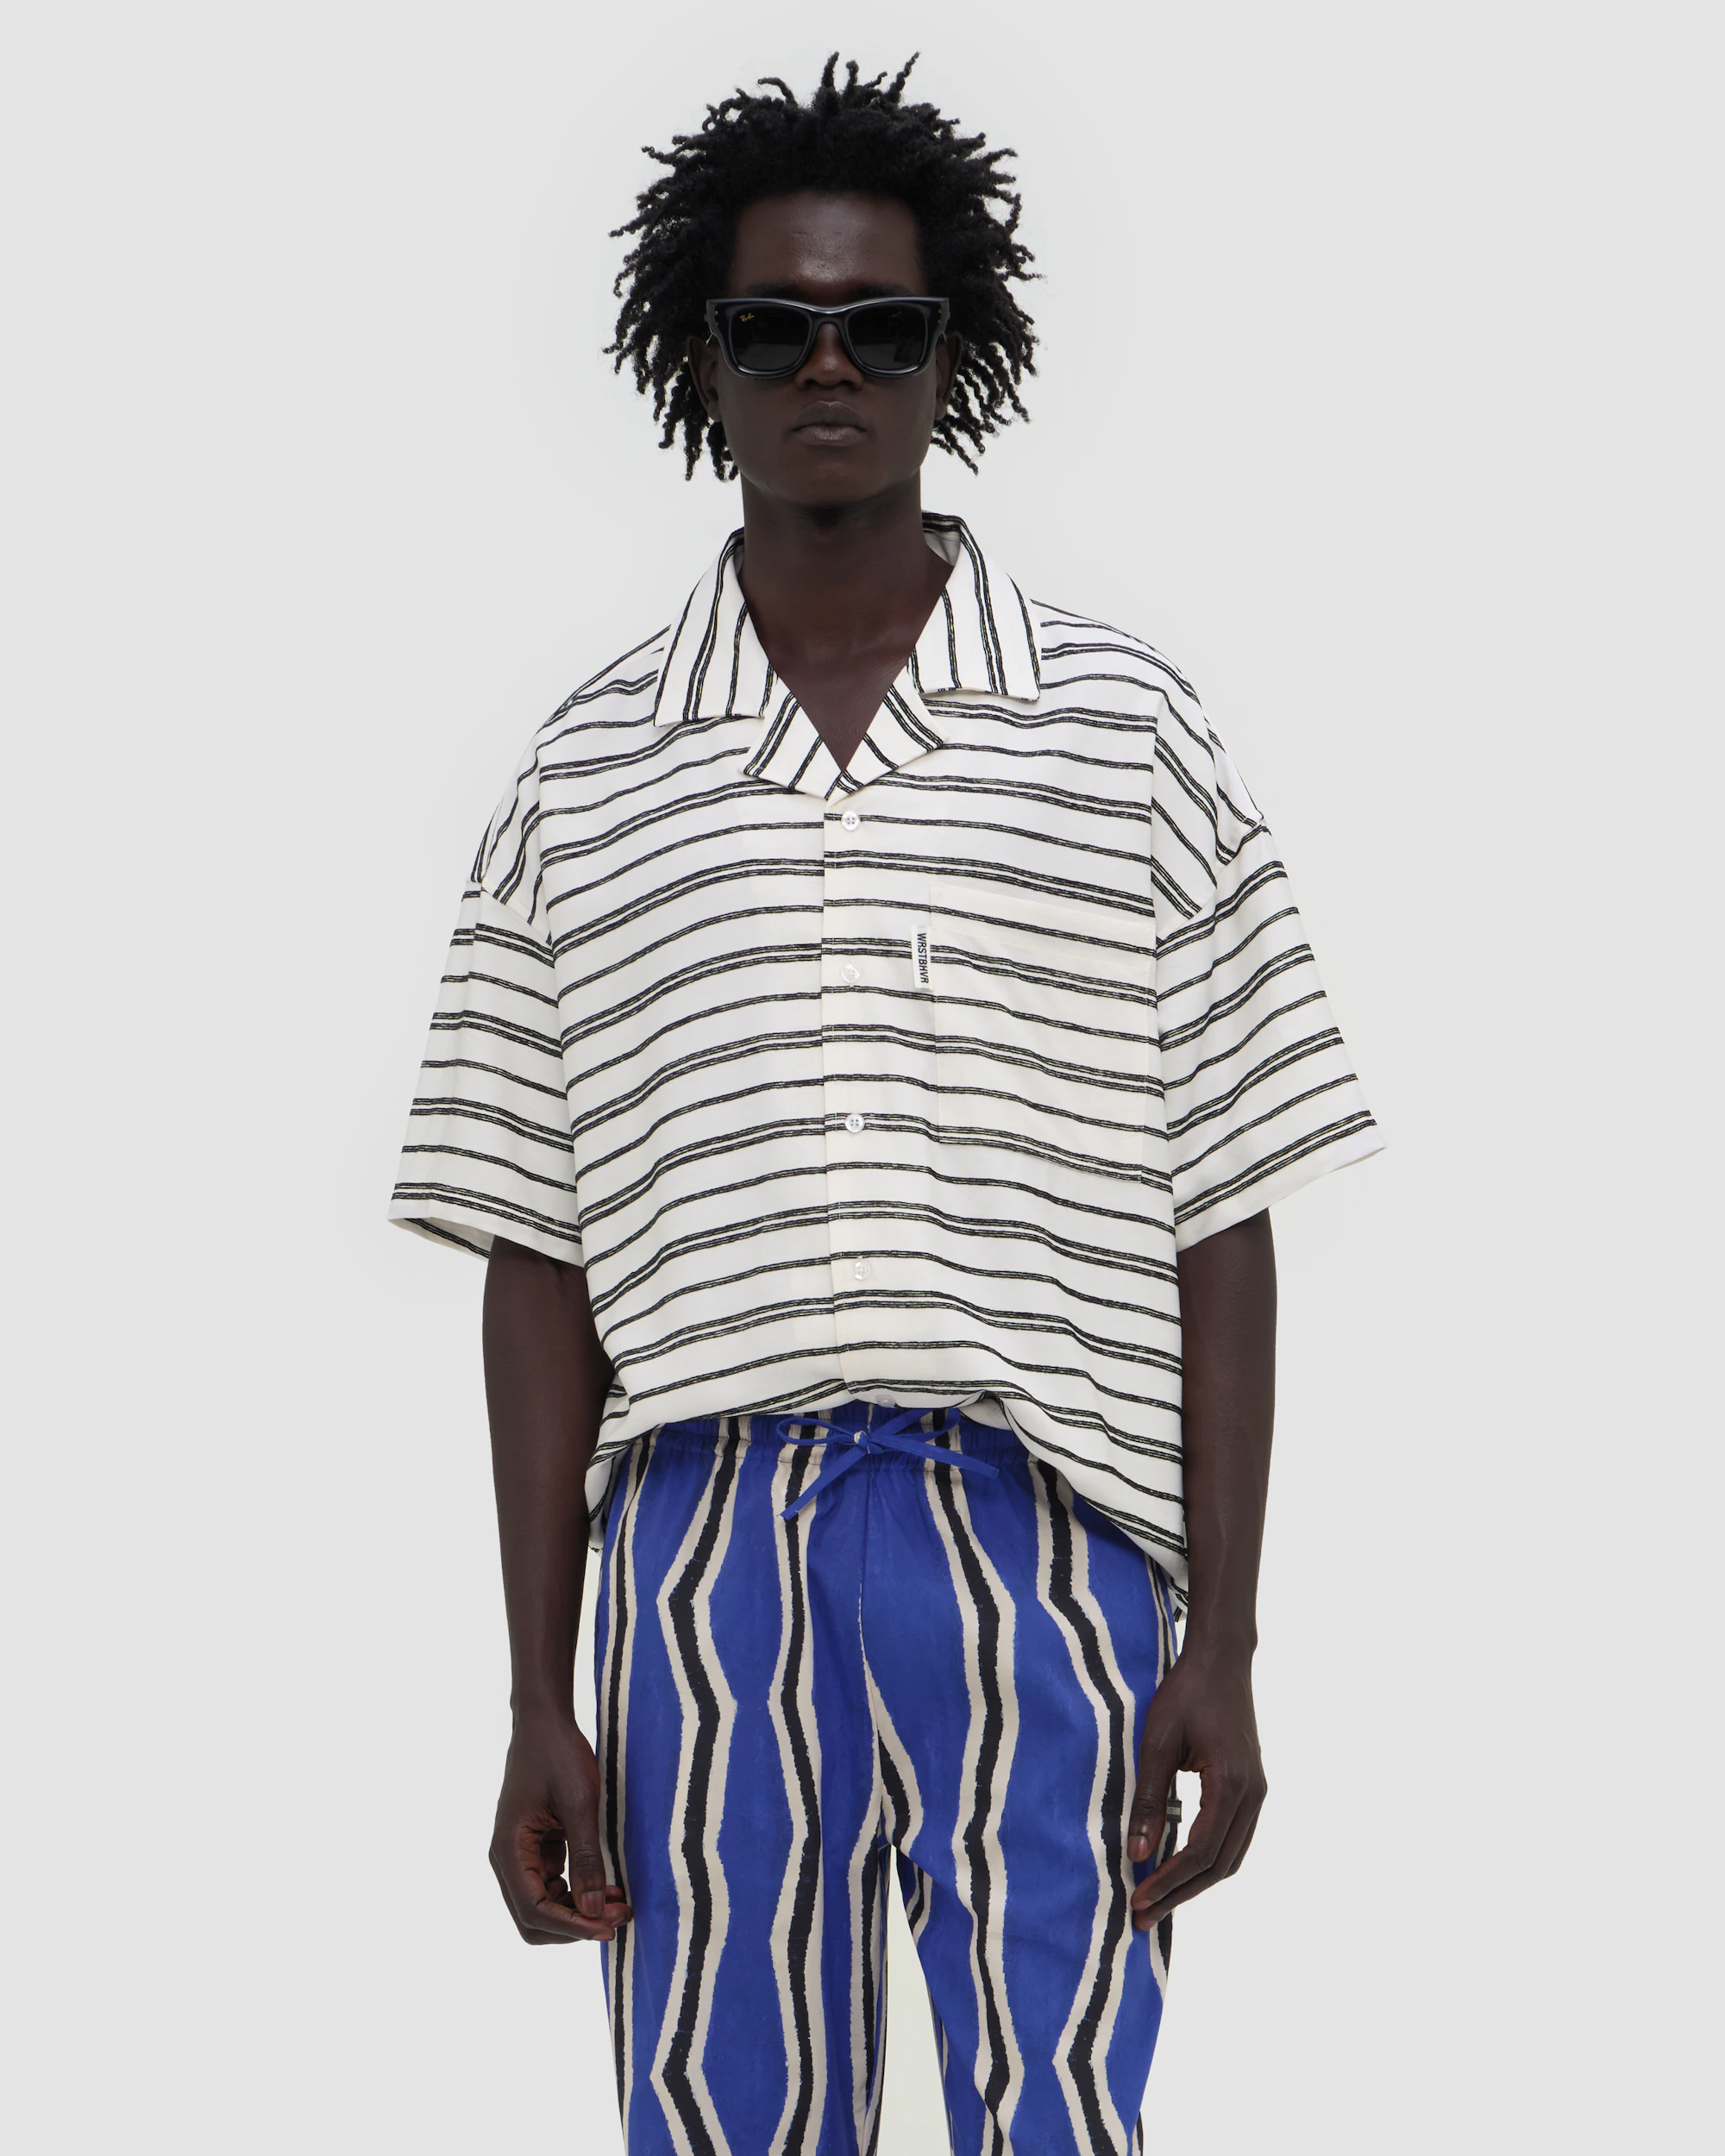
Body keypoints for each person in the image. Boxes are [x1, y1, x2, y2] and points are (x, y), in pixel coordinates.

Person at [391, 55, 1380, 2156]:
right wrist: (539, 1688)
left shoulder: (1123, 728)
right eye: (774, 328)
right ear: (705, 361)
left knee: (1059, 2114)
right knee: (725, 2118)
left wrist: (1224, 1634)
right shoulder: (583, 774)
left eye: (880, 324)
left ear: (954, 353)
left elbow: (1223, 1203)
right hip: (701, 1554)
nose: (827, 365)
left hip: (1044, 1527)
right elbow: (534, 1255)